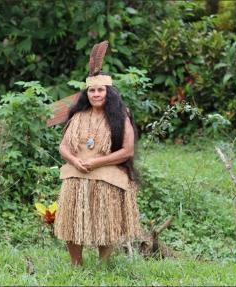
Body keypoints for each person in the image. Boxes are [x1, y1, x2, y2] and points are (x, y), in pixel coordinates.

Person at [53, 41, 143, 267]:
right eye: (92, 90)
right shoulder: (77, 115)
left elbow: (127, 150)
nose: (96, 94)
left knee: (106, 222)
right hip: (76, 174)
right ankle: (76, 264)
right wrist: (74, 160)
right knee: (71, 222)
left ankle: (103, 264)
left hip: (107, 176)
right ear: (87, 93)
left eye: (100, 90)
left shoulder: (121, 115)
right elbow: (63, 147)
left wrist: (96, 162)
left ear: (108, 92)